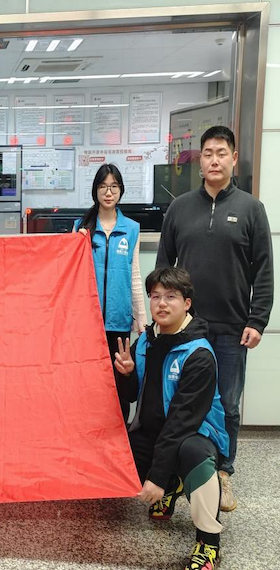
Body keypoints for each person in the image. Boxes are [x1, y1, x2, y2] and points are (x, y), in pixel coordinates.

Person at [156, 125, 273, 511]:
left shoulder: (251, 209)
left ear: (233, 158)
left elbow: (264, 270)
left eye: (221, 153)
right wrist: (163, 313)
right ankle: (176, 472)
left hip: (232, 327)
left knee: (228, 403)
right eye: (207, 153)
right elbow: (163, 267)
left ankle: (223, 471)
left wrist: (257, 320)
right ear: (200, 160)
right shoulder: (179, 208)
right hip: (186, 329)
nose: (214, 160)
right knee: (179, 401)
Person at [115, 267, 228, 570]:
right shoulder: (146, 341)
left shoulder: (199, 354)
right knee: (115, 455)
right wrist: (126, 375)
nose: (161, 304)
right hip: (152, 431)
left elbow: (180, 424)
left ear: (187, 303)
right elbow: (132, 396)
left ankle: (209, 542)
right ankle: (172, 486)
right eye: (155, 296)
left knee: (194, 456)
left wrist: (156, 476)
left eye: (170, 297)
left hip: (195, 435)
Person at [74, 164, 147, 421]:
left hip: (119, 320)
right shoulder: (81, 227)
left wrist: (141, 318)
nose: (108, 192)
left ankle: (119, 433)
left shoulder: (131, 228)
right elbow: (72, 275)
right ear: (95, 190)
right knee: (89, 379)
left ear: (121, 190)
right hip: (88, 321)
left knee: (119, 382)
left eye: (114, 186)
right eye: (103, 186)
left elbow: (134, 275)